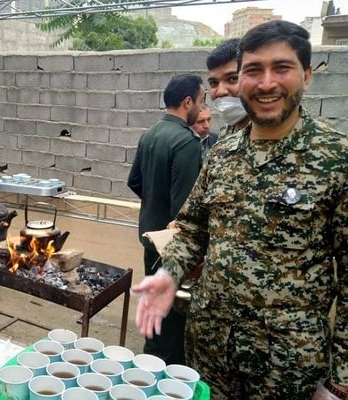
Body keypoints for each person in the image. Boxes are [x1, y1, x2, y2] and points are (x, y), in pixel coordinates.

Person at [132, 20, 348, 399]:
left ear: (307, 76)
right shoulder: (222, 153)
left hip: (285, 366)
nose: (266, 83)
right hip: (210, 347)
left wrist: (341, 376)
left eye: (281, 68)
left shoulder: (336, 159)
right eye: (253, 71)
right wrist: (169, 273)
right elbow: (193, 229)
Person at [127, 74, 205, 365]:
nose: (202, 106)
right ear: (188, 102)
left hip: (150, 236)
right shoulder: (186, 142)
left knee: (156, 303)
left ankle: (152, 357)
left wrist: (153, 202)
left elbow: (135, 180)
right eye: (201, 100)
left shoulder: (150, 134)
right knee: (172, 315)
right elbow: (186, 207)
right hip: (172, 246)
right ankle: (162, 371)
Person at [206, 38, 250, 138]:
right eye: (213, 82)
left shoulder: (273, 135)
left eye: (233, 78)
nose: (220, 91)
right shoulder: (226, 132)